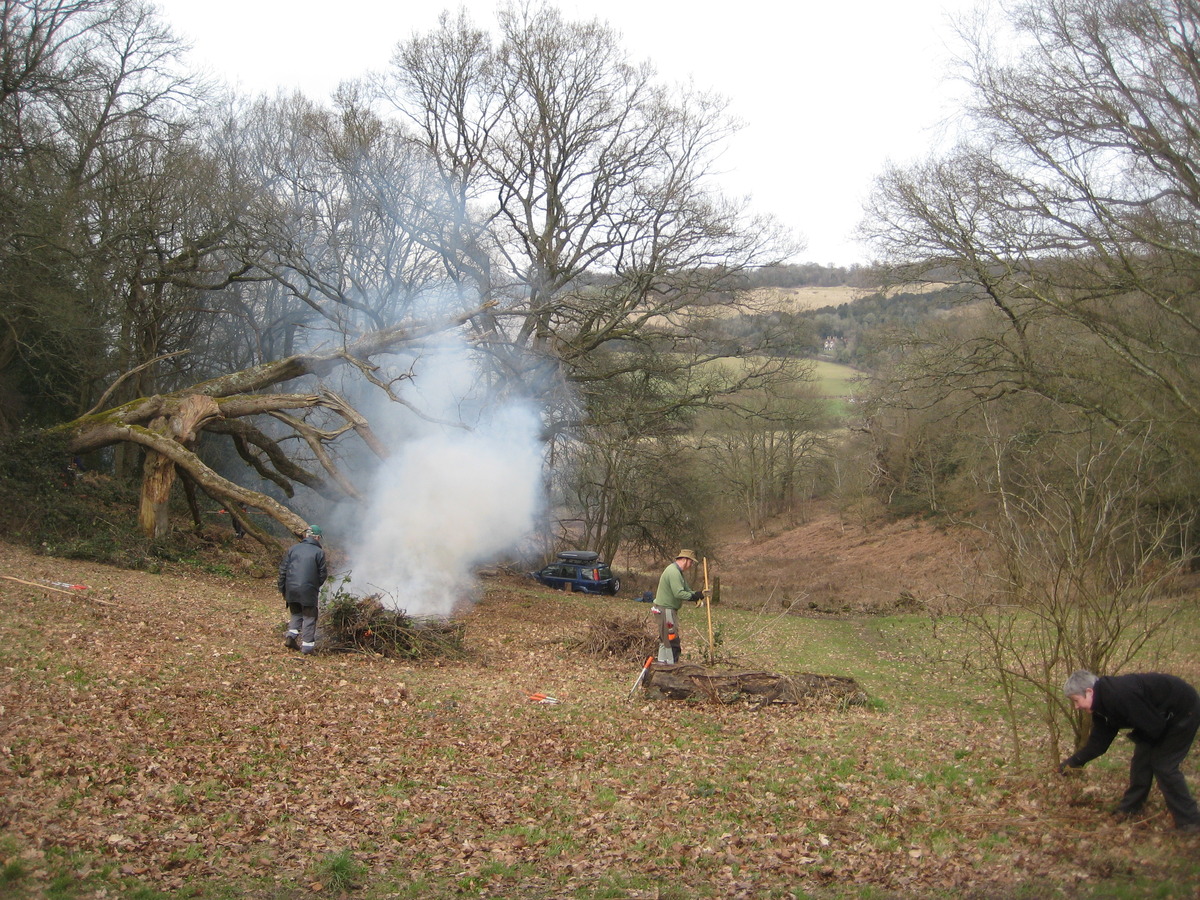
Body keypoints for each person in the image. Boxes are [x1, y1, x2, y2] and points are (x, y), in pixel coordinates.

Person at [1060, 670, 1200, 833]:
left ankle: (1190, 821)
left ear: (1089, 692)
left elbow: (1155, 727)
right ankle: (1131, 808)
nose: (1077, 706)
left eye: (1076, 701)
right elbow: (1098, 744)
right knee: (1141, 761)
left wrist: (1139, 737)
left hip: (1183, 712)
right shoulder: (1101, 706)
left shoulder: (1120, 695)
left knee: (1163, 765)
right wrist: (1072, 763)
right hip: (1158, 720)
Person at [650, 549, 707, 664]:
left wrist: (698, 595)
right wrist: (694, 597)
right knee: (671, 641)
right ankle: (671, 667)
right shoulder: (673, 572)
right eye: (690, 562)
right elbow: (679, 593)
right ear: (684, 560)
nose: (691, 565)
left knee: (665, 640)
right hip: (666, 610)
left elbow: (686, 590)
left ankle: (662, 665)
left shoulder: (678, 572)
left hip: (668, 610)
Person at [278, 526, 328, 655]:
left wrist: (282, 588)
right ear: (317, 537)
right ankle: (307, 648)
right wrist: (315, 586)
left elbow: (283, 569)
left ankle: (291, 636)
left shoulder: (293, 549)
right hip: (308, 590)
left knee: (296, 613)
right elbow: (323, 574)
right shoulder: (319, 552)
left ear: (306, 535)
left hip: (291, 588)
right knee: (309, 617)